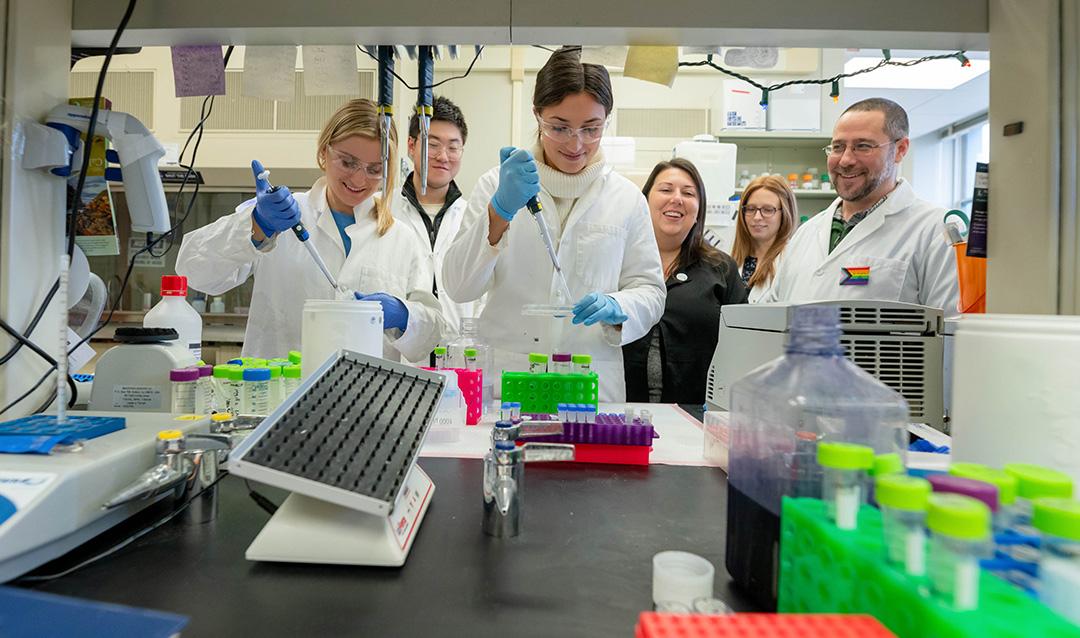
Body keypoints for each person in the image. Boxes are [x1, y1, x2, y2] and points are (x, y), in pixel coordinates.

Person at [441, 47, 666, 402]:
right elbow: (458, 286)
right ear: (537, 115)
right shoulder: (494, 185)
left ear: (606, 120)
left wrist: (619, 305)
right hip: (509, 384)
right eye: (559, 127)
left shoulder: (627, 199)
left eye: (591, 129)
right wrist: (499, 211)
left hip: (590, 386)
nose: (576, 144)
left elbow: (651, 292)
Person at [176, 98, 447, 361]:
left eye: (375, 169)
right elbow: (192, 271)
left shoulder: (402, 239)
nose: (358, 178)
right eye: (348, 162)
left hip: (364, 400)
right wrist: (258, 225)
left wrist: (403, 315)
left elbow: (431, 334)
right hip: (280, 396)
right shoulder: (281, 213)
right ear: (324, 153)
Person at [762, 98, 960, 313]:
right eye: (838, 147)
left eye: (862, 146)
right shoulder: (806, 233)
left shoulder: (936, 230)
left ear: (900, 149)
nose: (845, 160)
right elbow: (772, 316)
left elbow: (952, 333)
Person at [623, 159, 748, 404]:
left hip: (696, 414)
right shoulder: (618, 261)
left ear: (699, 209)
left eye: (688, 193)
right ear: (645, 200)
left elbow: (743, 345)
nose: (677, 198)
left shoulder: (721, 269)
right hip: (619, 413)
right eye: (666, 189)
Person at [393, 96, 481, 337]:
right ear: (412, 145)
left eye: (453, 147)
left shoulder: (473, 216)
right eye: (432, 145)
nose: (443, 156)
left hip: (459, 354)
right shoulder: (382, 209)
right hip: (397, 351)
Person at [730, 175, 797, 303]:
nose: (757, 217)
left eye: (767, 210)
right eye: (751, 209)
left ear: (785, 214)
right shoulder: (734, 259)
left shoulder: (792, 260)